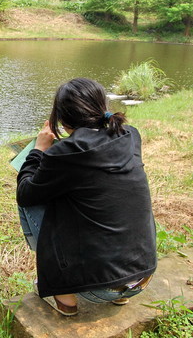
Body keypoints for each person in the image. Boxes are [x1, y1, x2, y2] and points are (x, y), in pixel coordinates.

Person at [16, 77, 157, 316]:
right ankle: (121, 294)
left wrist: (39, 150)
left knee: (28, 194)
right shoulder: (130, 134)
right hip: (142, 277)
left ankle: (64, 298)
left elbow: (26, 194)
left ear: (61, 118)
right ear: (101, 106)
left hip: (96, 290)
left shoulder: (65, 152)